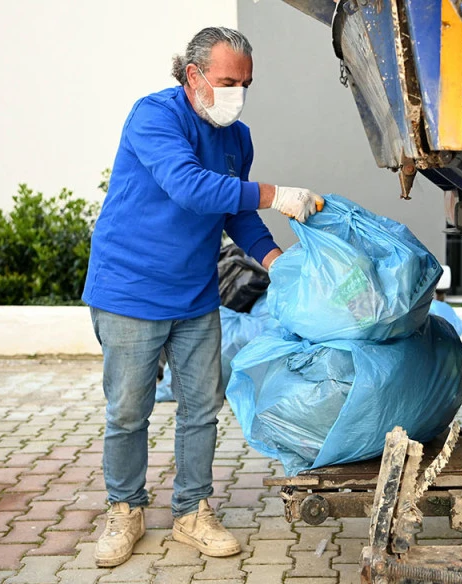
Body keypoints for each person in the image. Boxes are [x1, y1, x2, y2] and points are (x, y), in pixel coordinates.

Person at [81, 27, 323, 568]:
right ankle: (125, 507)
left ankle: (192, 510)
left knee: (200, 408)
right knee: (128, 410)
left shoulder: (236, 136)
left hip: (194, 294)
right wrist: (276, 193)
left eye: (246, 83)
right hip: (130, 290)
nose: (237, 93)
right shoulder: (155, 117)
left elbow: (234, 212)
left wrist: (276, 262)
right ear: (193, 77)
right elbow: (190, 187)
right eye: (227, 81)